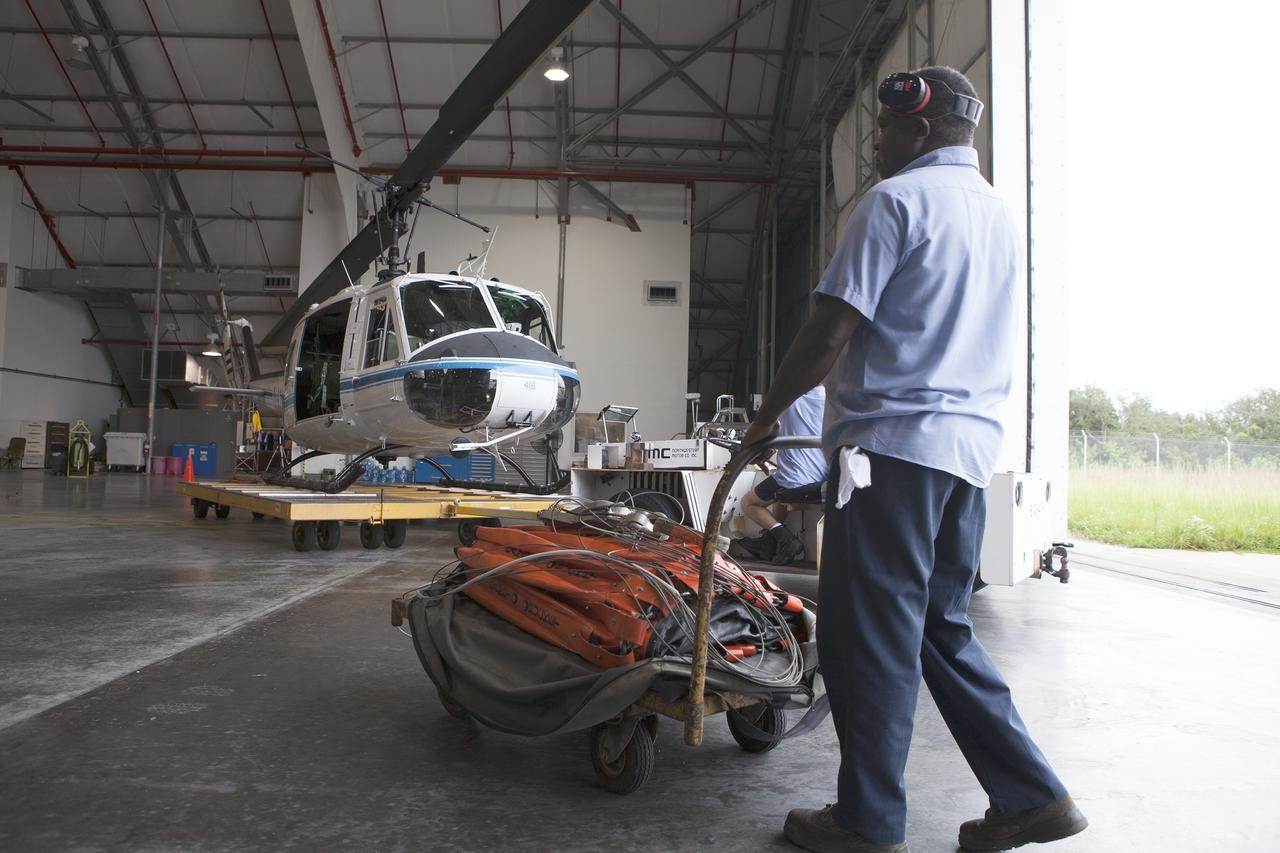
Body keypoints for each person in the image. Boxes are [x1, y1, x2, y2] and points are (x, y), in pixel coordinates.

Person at [742, 67, 1086, 853]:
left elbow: (828, 334)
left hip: (889, 455)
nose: (876, 147)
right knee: (941, 628)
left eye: (884, 134)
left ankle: (867, 820)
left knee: (869, 639)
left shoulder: (894, 203)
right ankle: (1032, 794)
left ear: (919, 130)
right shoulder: (997, 215)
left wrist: (763, 421)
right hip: (967, 461)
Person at [730, 384, 827, 565]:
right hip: (823, 472)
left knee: (748, 502)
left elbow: (768, 430)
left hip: (796, 476)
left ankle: (787, 540)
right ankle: (770, 540)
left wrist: (751, 451)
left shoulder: (786, 397)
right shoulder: (829, 398)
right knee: (776, 486)